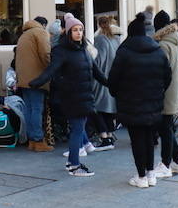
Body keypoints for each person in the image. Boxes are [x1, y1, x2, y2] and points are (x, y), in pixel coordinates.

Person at [29, 14, 108, 177]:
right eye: (75, 30)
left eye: (81, 30)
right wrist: (36, 82)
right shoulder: (62, 51)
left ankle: (72, 162)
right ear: (68, 32)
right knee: (78, 130)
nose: (79, 33)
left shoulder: (84, 49)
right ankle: (74, 164)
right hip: (72, 98)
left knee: (78, 130)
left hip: (85, 97)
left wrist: (113, 84)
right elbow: (51, 70)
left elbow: (97, 73)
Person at [109, 14, 171, 189]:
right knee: (149, 138)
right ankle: (151, 173)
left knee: (137, 140)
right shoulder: (158, 51)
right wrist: (158, 92)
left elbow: (113, 79)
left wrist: (117, 94)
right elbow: (168, 77)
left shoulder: (124, 52)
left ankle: (141, 176)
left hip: (131, 103)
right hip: (154, 103)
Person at [152, 11, 178, 178]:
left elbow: (161, 73)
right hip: (173, 91)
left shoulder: (163, 45)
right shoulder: (175, 42)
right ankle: (177, 161)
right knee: (167, 128)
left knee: (165, 129)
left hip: (165, 92)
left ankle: (166, 164)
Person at [14, 18, 52, 151]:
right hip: (37, 78)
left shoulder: (24, 34)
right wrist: (51, 69)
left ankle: (32, 141)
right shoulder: (39, 32)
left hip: (24, 78)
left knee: (29, 109)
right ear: (43, 25)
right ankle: (38, 140)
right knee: (37, 109)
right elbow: (46, 53)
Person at [91, 16, 120, 151]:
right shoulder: (116, 39)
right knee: (108, 108)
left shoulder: (100, 39)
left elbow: (98, 61)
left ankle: (105, 137)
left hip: (101, 79)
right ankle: (109, 134)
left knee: (96, 108)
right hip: (113, 78)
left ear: (100, 25)